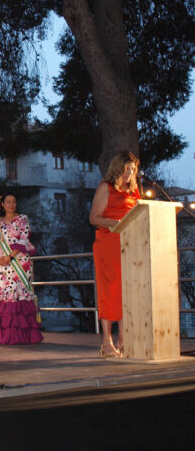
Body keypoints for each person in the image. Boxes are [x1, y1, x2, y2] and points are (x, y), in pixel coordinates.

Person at [89, 150, 141, 358]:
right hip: (108, 243)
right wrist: (117, 224)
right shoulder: (106, 187)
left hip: (130, 244)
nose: (129, 173)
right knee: (109, 291)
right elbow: (94, 218)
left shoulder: (133, 190)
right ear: (118, 168)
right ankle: (106, 342)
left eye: (133, 170)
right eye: (127, 169)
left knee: (126, 291)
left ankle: (124, 340)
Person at [0, 193, 43, 345]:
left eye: (14, 202)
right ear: (2, 204)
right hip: (1, 264)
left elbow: (23, 239)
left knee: (19, 293)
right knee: (5, 294)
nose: (11, 204)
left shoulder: (22, 219)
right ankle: (5, 336)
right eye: (8, 202)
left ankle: (23, 336)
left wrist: (10, 257)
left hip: (18, 261)